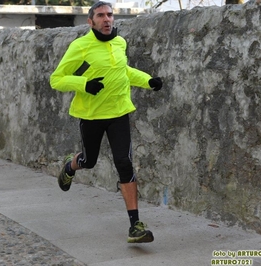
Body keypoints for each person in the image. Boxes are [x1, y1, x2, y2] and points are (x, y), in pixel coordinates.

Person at [50, 1, 162, 243]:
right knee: (89, 161)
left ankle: (135, 226)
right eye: (100, 15)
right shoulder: (80, 46)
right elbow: (56, 79)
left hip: (119, 112)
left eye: (109, 15)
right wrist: (84, 84)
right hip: (91, 115)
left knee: (124, 162)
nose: (106, 19)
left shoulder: (120, 42)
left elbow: (123, 72)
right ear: (90, 21)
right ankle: (71, 165)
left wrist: (148, 81)